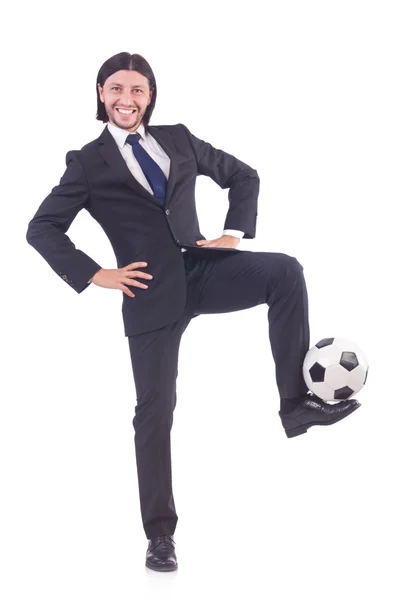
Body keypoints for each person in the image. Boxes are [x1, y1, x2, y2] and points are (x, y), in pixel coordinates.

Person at [26, 52, 361, 572]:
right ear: (100, 94)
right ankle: (160, 536)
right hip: (147, 291)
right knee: (154, 415)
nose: (127, 99)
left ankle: (296, 405)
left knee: (285, 272)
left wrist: (234, 234)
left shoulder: (179, 139)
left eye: (138, 90)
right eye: (116, 89)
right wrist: (97, 274)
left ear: (150, 96)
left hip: (201, 269)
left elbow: (243, 175)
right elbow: (41, 228)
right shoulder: (87, 162)